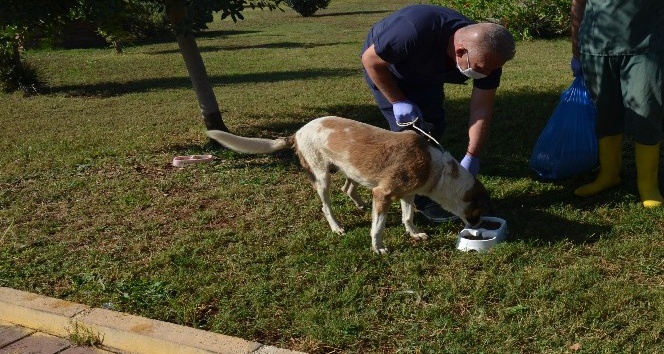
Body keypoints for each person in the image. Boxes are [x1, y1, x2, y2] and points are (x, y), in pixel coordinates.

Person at [361, 4, 516, 222]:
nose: (488, 74)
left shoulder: (487, 56)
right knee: (411, 138)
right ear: (460, 52)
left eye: (493, 69)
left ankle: (427, 179)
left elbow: (481, 109)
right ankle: (421, 197)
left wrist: (473, 155)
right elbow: (371, 61)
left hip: (428, 73)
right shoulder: (413, 30)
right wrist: (399, 101)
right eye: (482, 69)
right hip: (387, 67)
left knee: (433, 125)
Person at [571, 0, 663, 207]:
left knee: (646, 112)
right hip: (596, 47)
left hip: (645, 47)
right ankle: (608, 175)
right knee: (605, 113)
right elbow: (578, 4)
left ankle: (648, 185)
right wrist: (576, 47)